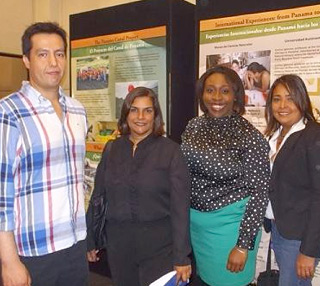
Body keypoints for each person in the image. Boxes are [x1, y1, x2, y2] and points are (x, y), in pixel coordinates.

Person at [0, 22, 88, 286]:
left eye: (59, 53)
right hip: (31, 252)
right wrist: (9, 261)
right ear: (26, 59)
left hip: (74, 245)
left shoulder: (77, 110)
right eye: (43, 54)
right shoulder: (8, 113)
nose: (53, 62)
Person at [87, 87, 192, 286]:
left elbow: (180, 208)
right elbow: (98, 196)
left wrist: (181, 257)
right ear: (126, 113)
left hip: (159, 247)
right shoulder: (112, 149)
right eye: (134, 110)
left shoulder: (171, 152)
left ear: (156, 115)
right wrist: (90, 239)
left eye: (148, 110)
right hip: (119, 246)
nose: (140, 117)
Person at [181, 66, 270, 286]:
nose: (217, 97)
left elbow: (259, 193)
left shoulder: (249, 136)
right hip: (196, 227)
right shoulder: (193, 126)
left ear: (235, 95)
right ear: (202, 94)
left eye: (225, 91)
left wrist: (242, 245)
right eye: (210, 90)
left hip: (230, 229)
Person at [264, 74, 320, 286]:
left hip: (299, 236)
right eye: (276, 99)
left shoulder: (313, 136)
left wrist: (308, 250)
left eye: (289, 98)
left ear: (302, 100)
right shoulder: (273, 135)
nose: (282, 105)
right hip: (279, 227)